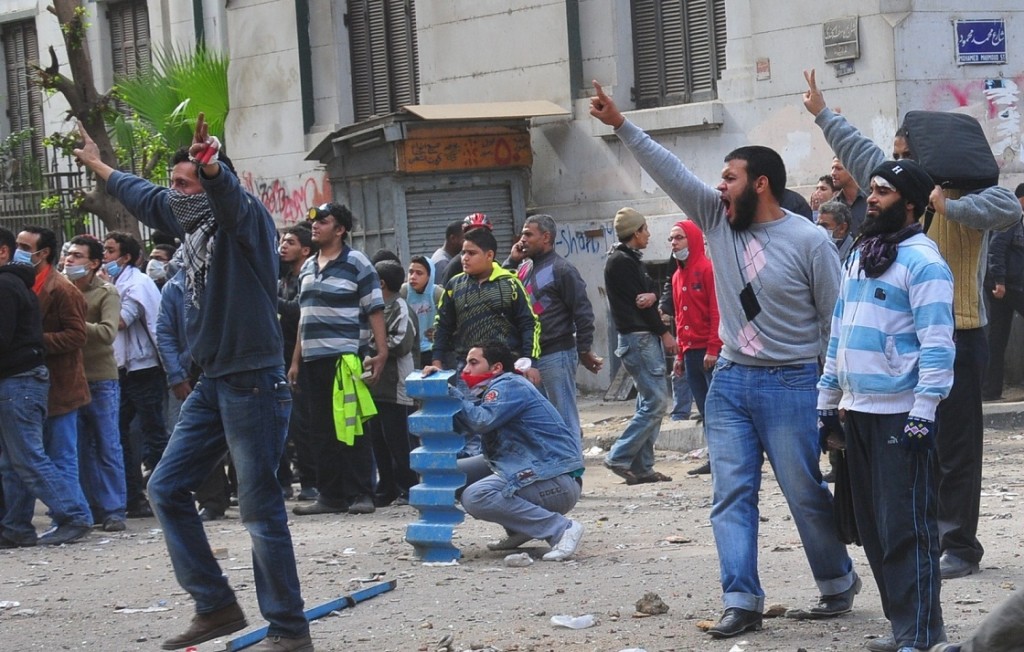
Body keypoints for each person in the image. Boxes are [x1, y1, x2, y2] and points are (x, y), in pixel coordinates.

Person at [591, 80, 859, 640]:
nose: (718, 185)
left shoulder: (810, 242)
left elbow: (837, 324)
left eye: (729, 177)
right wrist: (621, 124)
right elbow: (669, 170)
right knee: (730, 494)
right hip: (731, 382)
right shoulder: (716, 219)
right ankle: (742, 599)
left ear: (759, 184)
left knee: (803, 490)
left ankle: (837, 582)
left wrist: (833, 398)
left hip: (793, 385)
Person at [74, 117, 312, 651]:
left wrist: (211, 167)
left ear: (209, 182)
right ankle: (216, 605)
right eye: (176, 183)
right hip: (215, 382)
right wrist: (96, 165)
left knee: (259, 506)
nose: (175, 194)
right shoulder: (192, 226)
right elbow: (148, 197)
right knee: (164, 487)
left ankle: (290, 630)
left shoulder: (244, 221)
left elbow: (227, 197)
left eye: (186, 184)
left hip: (253, 381)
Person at [803, 68, 1021, 581]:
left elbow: (1006, 208)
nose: (896, 164)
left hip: (960, 337)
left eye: (906, 155)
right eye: (895, 155)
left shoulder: (972, 196)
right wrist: (823, 115)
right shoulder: (895, 202)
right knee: (911, 446)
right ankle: (922, 534)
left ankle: (959, 544)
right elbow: (858, 151)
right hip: (900, 344)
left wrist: (946, 202)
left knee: (957, 448)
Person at [817, 159, 955, 652]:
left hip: (903, 415)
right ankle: (906, 630)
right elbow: (840, 331)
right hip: (859, 412)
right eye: (871, 189)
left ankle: (919, 635)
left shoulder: (924, 262)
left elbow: (938, 345)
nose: (871, 198)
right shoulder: (860, 255)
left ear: (911, 203)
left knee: (906, 528)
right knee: (874, 530)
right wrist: (827, 400)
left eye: (883, 191)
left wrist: (924, 410)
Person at [424, 342, 585, 561]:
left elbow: (481, 421)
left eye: (473, 363)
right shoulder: (496, 388)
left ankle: (561, 529)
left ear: (496, 367)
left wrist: (449, 391)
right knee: (443, 474)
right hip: (534, 469)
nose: (465, 371)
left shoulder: (508, 385)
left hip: (555, 479)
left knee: (477, 496)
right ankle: (520, 529)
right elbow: (464, 426)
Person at [289, 202, 387, 518]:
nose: (314, 225)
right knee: (319, 430)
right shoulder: (307, 266)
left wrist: (381, 353)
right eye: (313, 221)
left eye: (323, 221)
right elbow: (305, 318)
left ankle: (361, 493)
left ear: (340, 229)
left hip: (345, 358)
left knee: (352, 426)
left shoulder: (356, 262)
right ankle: (330, 496)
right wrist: (295, 361)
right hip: (312, 360)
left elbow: (374, 309)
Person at [0, 228, 94, 548]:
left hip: (20, 382)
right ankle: (15, 527)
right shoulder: (17, 284)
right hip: (18, 381)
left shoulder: (8, 286)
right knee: (12, 461)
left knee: (28, 458)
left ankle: (73, 514)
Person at [504, 214, 603, 437]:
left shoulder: (562, 269)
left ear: (546, 237)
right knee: (541, 422)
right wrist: (511, 261)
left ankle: (572, 470)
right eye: (522, 234)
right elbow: (502, 290)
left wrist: (584, 349)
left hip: (555, 354)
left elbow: (583, 311)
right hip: (531, 358)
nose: (522, 239)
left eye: (528, 234)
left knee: (564, 419)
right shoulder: (524, 268)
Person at [601, 207, 678, 485]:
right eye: (645, 230)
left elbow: (646, 294)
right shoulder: (621, 261)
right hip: (640, 339)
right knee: (657, 403)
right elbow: (642, 305)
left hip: (640, 338)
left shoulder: (628, 259)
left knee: (648, 403)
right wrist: (666, 334)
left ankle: (643, 466)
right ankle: (619, 456)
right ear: (635, 233)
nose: (648, 234)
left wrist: (653, 294)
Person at [65, 234, 128, 532]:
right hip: (69, 380)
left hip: (101, 379)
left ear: (93, 263)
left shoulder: (106, 292)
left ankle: (114, 509)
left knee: (106, 445)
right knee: (75, 448)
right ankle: (86, 508)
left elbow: (107, 332)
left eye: (77, 256)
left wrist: (73, 323)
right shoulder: (60, 288)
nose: (70, 260)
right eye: (68, 254)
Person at [103, 231, 167, 519]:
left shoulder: (135, 284)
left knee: (154, 432)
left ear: (125, 257)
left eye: (110, 251)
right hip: (122, 369)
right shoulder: (117, 282)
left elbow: (119, 321)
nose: (105, 257)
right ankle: (133, 497)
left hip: (145, 367)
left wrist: (105, 291)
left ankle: (166, 492)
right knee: (120, 433)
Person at [432, 226, 540, 373]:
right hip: (467, 368)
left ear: (489, 255)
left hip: (506, 367)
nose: (465, 258)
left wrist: (530, 362)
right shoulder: (454, 285)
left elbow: (529, 324)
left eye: (472, 253)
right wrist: (436, 361)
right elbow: (442, 326)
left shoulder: (510, 283)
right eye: (463, 253)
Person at [668, 219, 721, 475]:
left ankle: (725, 457)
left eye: (679, 238)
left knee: (717, 407)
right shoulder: (677, 276)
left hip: (708, 353)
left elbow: (716, 310)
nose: (674, 243)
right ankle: (715, 457)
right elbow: (680, 317)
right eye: (671, 239)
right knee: (703, 408)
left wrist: (713, 347)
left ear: (692, 239)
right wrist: (680, 354)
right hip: (690, 353)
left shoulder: (707, 269)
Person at [366, 260, 419, 507]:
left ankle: (408, 487)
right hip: (378, 387)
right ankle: (385, 488)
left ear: (381, 283)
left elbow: (401, 343)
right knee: (379, 439)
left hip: (398, 385)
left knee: (399, 441)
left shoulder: (400, 308)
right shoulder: (378, 309)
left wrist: (376, 345)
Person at [278, 225, 317, 501]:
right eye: (282, 241)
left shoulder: (307, 278)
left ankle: (311, 482)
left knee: (305, 424)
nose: (283, 246)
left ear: (305, 249)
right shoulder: (284, 280)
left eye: (290, 242)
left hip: (302, 359)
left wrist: (270, 297)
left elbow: (298, 312)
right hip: (281, 357)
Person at [981, 183, 1024, 401]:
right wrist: (999, 281)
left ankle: (990, 390)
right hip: (1006, 287)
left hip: (1008, 286)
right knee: (997, 338)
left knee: (997, 338)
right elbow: (995, 250)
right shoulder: (1010, 218)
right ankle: (989, 389)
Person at [401, 255, 444, 367]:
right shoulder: (404, 292)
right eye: (411, 272)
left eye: (419, 273)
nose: (413, 277)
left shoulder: (437, 293)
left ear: (429, 276)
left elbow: (451, 320)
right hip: (410, 350)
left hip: (432, 350)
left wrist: (438, 332)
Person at [831, 157, 867, 237]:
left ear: (852, 170)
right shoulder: (831, 206)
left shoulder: (871, 201)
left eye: (839, 168)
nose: (833, 173)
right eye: (832, 168)